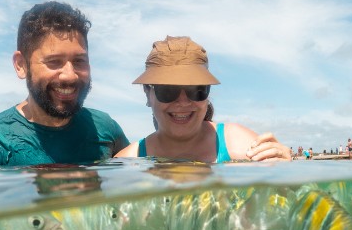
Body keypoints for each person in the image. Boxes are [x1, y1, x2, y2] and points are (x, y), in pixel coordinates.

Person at [0, 1, 129, 166]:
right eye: (54, 62)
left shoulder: (105, 128)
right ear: (21, 65)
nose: (69, 76)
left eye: (79, 61)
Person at [114, 36, 292, 163]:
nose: (183, 102)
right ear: (147, 93)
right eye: (168, 90)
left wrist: (286, 177)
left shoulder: (241, 145)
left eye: (196, 89)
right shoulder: (127, 161)